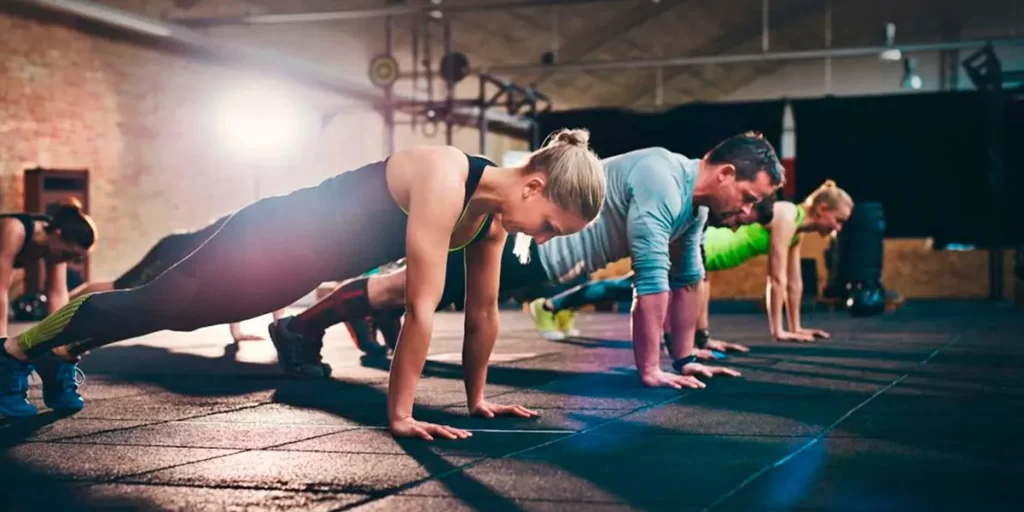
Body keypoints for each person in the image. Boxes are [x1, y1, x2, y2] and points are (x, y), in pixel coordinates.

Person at [0, 130, 607, 442]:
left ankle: (62, 351)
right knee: (161, 304)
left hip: (291, 269)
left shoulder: (488, 222)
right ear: (533, 187)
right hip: (268, 233)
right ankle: (16, 353)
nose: (548, 239)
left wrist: (476, 400)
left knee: (180, 317)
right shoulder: (445, 173)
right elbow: (421, 307)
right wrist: (399, 415)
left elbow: (482, 316)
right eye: (552, 225)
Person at [270, 132, 785, 390]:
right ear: (725, 174)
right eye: (747, 196)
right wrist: (651, 368)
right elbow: (651, 283)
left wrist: (689, 352)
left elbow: (689, 279)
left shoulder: (690, 208)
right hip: (529, 244)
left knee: (409, 288)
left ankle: (365, 313)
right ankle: (299, 326)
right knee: (405, 288)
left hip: (545, 258)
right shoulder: (662, 177)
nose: (746, 211)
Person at [526, 181, 853, 346]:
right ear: (822, 208)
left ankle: (559, 305)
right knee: (630, 288)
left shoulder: (796, 229)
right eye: (838, 220)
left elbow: (794, 283)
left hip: (706, 256)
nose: (838, 229)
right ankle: (550, 305)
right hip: (701, 246)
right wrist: (779, 331)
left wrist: (795, 328)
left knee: (628, 287)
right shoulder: (785, 214)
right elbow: (776, 278)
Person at [70, 215, 284, 343]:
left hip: (182, 252)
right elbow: (244, 284)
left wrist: (238, 334)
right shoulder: (253, 237)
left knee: (127, 290)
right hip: (172, 252)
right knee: (122, 287)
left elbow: (243, 286)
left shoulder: (261, 245)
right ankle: (64, 304)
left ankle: (64, 303)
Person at [0, 200, 97, 417]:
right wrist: (3, 348)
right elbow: (0, 290)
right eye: (67, 255)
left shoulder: (54, 243)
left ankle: (56, 378)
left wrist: (61, 343)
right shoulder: (14, 229)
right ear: (59, 234)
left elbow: (57, 294)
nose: (67, 261)